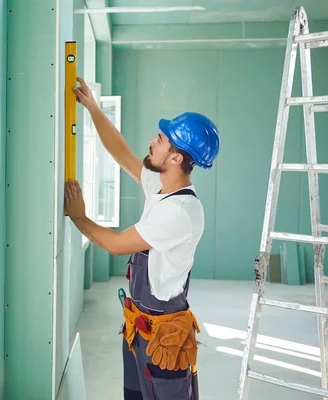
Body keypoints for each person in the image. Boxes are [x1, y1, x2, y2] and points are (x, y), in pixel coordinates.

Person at [64, 77, 220, 400]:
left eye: (161, 139)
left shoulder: (180, 211)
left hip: (164, 339)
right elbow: (122, 153)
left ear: (177, 157)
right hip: (138, 330)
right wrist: (93, 107)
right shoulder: (161, 185)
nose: (152, 140)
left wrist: (79, 217)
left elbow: (117, 244)